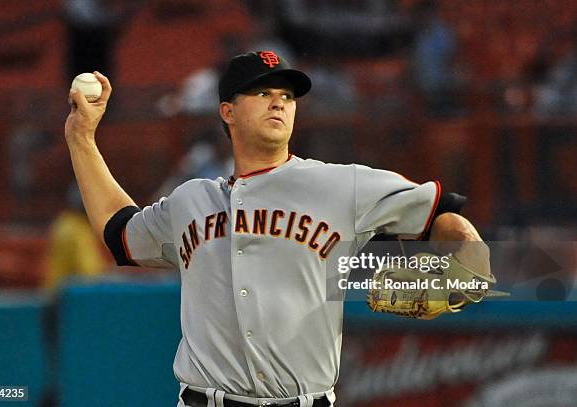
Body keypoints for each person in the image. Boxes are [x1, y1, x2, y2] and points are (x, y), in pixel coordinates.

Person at [64, 50, 492, 406]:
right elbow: (119, 231)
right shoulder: (190, 200)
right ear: (226, 111)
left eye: (287, 95)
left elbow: (443, 214)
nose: (279, 102)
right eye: (263, 92)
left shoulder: (341, 185)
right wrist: (82, 139)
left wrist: (463, 265)